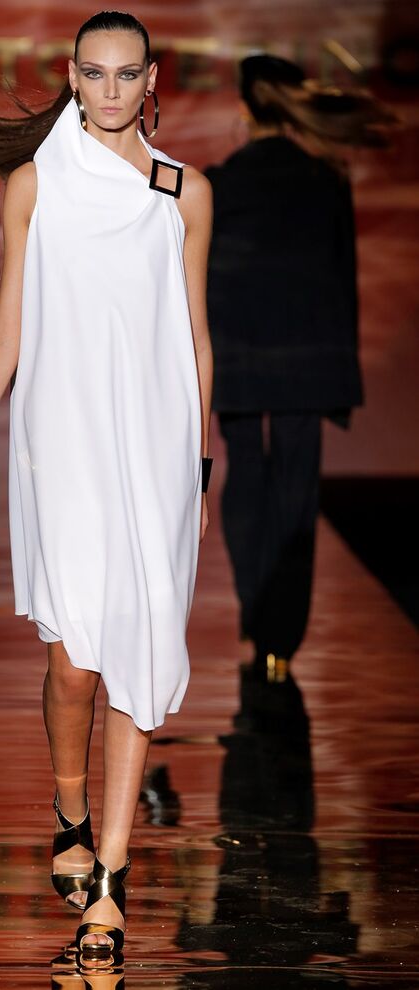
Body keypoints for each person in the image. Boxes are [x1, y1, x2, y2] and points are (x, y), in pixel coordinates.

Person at [0, 11, 213, 961]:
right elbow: (11, 323)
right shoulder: (37, 184)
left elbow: (195, 339)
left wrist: (196, 471)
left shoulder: (185, 193)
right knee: (75, 664)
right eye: (95, 74)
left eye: (128, 75)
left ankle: (112, 880)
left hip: (156, 452)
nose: (111, 90)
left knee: (139, 646)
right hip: (65, 446)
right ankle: (70, 810)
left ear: (152, 78)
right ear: (73, 75)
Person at [203, 54, 397, 683]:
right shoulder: (325, 179)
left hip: (237, 353)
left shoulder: (220, 183)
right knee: (295, 485)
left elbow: (202, 280)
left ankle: (255, 615)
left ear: (243, 106)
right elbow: (343, 278)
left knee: (246, 473)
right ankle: (279, 640)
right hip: (309, 359)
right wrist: (341, 373)